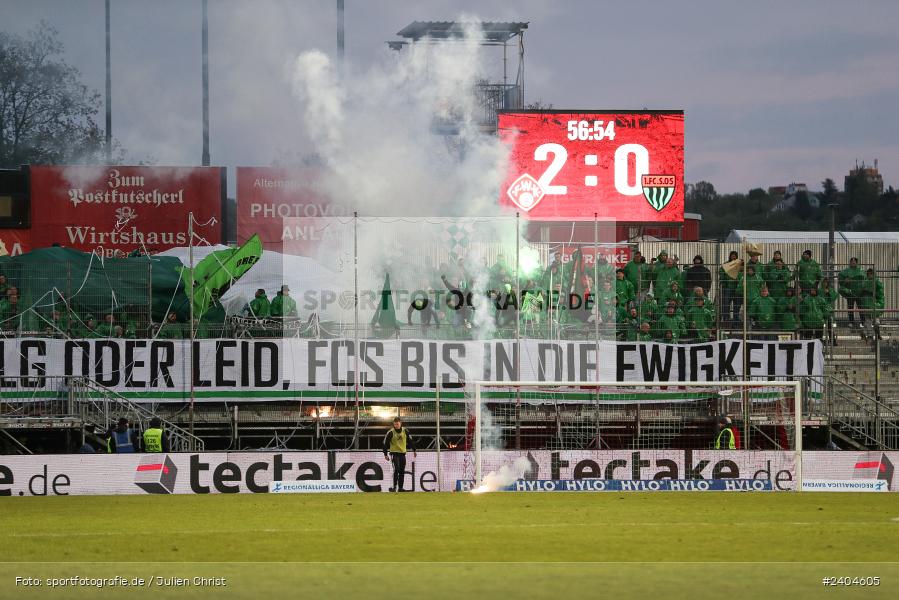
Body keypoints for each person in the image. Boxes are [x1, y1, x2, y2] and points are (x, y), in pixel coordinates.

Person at [383, 417, 416, 492]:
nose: (396, 425)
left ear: (400, 423)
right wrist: (385, 454)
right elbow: (385, 443)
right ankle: (394, 487)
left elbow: (410, 441)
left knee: (402, 471)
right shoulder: (391, 432)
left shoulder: (405, 431)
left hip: (402, 454)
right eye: (395, 424)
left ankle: (400, 488)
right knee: (396, 469)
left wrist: (414, 450)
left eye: (397, 424)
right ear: (393, 424)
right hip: (394, 454)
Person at [859, 268, 885, 341]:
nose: (870, 275)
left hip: (874, 304)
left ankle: (867, 332)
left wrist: (871, 292)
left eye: (871, 273)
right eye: (868, 274)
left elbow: (880, 293)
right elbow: (860, 292)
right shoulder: (865, 282)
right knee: (868, 320)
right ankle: (870, 335)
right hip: (866, 303)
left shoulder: (877, 282)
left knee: (876, 321)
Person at [838, 258, 865, 327]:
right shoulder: (846, 271)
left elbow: (865, 279)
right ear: (850, 263)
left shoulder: (861, 271)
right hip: (850, 292)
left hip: (860, 293)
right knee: (850, 308)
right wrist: (845, 281)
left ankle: (863, 321)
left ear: (857, 263)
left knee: (861, 308)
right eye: (851, 261)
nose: (853, 263)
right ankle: (851, 322)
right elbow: (840, 280)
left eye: (854, 261)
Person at [719, 250, 740, 325]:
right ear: (730, 256)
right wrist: (724, 281)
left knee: (737, 305)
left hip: (737, 288)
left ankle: (736, 320)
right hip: (727, 287)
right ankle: (726, 319)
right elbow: (721, 272)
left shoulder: (739, 264)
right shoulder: (726, 264)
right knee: (726, 304)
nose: (733, 257)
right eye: (732, 255)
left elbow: (742, 274)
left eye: (735, 255)